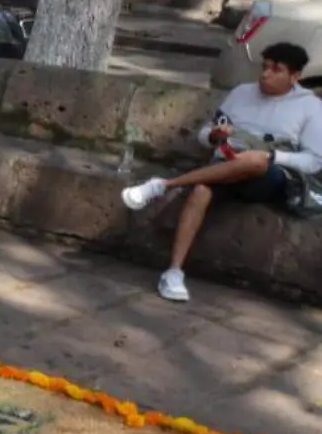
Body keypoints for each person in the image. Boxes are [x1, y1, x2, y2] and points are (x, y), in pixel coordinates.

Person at [122, 42, 322, 302]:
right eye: (264, 67)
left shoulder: (310, 107)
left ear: (295, 76)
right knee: (201, 190)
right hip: (225, 167)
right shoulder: (242, 93)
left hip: (270, 177)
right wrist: (215, 135)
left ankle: (164, 184)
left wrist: (271, 156)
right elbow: (205, 134)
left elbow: (314, 161)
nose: (266, 74)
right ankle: (173, 272)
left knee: (256, 163)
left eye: (276, 70)